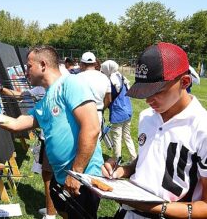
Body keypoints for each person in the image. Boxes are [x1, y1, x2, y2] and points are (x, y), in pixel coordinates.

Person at [0, 46, 103, 219]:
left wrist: (76, 173)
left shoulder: (71, 83)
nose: (26, 72)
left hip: (82, 177)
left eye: (28, 66)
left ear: (43, 65)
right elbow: (16, 124)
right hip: (62, 177)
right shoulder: (46, 99)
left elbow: (92, 128)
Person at [102, 42, 207, 218]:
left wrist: (151, 207)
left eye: (157, 91)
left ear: (185, 82)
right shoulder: (146, 116)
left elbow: (204, 206)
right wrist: (124, 170)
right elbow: (148, 161)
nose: (148, 100)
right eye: (143, 91)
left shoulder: (202, 127)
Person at [0, 83, 57, 219]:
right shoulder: (41, 87)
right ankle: (52, 208)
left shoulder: (57, 85)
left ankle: (51, 214)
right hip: (49, 138)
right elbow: (20, 95)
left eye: (30, 66)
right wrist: (1, 89)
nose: (27, 71)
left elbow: (17, 124)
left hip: (54, 140)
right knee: (48, 175)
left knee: (50, 176)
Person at [101, 60, 137, 161]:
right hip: (128, 110)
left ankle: (116, 160)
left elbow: (109, 98)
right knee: (127, 136)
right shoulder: (121, 77)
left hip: (118, 113)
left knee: (116, 137)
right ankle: (134, 158)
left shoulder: (111, 81)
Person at [77, 51, 111, 127]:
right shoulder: (104, 77)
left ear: (82, 64)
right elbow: (108, 99)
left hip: (82, 114)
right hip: (98, 114)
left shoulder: (77, 77)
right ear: (95, 63)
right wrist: (101, 109)